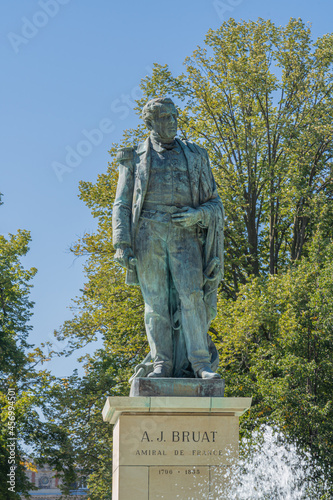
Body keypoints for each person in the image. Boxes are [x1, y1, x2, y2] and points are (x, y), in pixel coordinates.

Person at [112, 97, 224, 379]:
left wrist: (197, 216)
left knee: (192, 298)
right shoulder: (133, 157)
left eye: (174, 116)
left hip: (185, 233)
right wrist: (121, 243)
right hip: (148, 234)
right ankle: (162, 364)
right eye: (164, 117)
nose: (172, 121)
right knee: (155, 303)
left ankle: (201, 364)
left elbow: (215, 203)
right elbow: (122, 203)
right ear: (149, 123)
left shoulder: (197, 155)